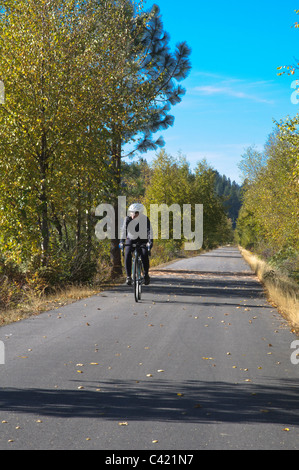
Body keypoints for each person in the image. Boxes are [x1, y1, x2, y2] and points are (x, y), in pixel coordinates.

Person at [119, 203, 153, 286]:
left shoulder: (145, 219)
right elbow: (124, 231)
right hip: (131, 240)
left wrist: (150, 241)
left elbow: (149, 231)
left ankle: (146, 275)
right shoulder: (127, 219)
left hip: (142, 240)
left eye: (136, 213)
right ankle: (128, 277)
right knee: (127, 254)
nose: (133, 215)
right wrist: (121, 241)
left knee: (144, 254)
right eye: (131, 212)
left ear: (140, 213)